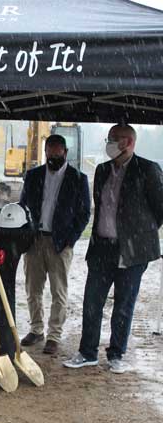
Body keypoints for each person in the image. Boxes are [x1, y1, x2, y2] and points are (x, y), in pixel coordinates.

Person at [64, 124, 163, 373]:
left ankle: (116, 354)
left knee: (123, 304)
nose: (108, 143)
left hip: (132, 252)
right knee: (92, 302)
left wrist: (138, 233)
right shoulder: (102, 170)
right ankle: (87, 353)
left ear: (127, 142)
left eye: (113, 139)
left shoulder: (148, 169)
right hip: (101, 249)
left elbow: (160, 210)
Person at [19, 134, 90, 355]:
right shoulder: (33, 176)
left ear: (65, 153)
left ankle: (54, 335)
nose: (53, 157)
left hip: (60, 243)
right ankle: (36, 329)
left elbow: (84, 213)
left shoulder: (78, 179)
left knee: (59, 291)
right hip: (34, 240)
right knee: (33, 289)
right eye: (49, 153)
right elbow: (23, 206)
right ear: (45, 153)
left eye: (57, 153)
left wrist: (71, 239)